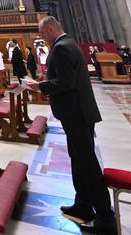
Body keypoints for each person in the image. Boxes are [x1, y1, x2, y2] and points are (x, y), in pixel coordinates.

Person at [22, 17, 115, 234]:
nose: (41, 37)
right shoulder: (70, 44)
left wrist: (39, 86)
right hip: (78, 112)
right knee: (78, 159)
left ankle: (105, 216)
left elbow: (65, 82)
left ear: (51, 29)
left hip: (76, 114)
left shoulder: (61, 49)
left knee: (88, 164)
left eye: (42, 33)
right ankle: (83, 205)